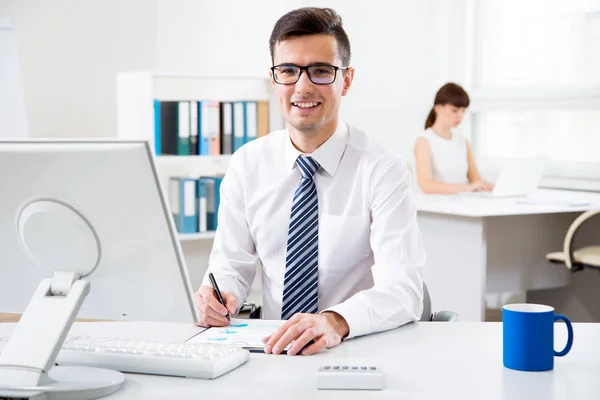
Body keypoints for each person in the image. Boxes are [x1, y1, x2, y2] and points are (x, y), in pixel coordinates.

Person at [194, 7, 425, 356]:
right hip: (272, 351)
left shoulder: (383, 169)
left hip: (355, 348)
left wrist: (334, 322)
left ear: (345, 80)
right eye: (288, 71)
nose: (302, 86)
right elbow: (230, 266)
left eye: (320, 71)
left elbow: (405, 289)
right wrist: (220, 294)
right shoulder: (247, 164)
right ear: (274, 80)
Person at [414, 82, 493, 194]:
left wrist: (498, 188)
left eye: (463, 111)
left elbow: (476, 180)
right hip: (435, 206)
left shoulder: (463, 141)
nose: (460, 116)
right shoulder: (424, 141)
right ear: (438, 108)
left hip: (461, 204)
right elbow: (426, 185)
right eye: (455, 110)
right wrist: (466, 188)